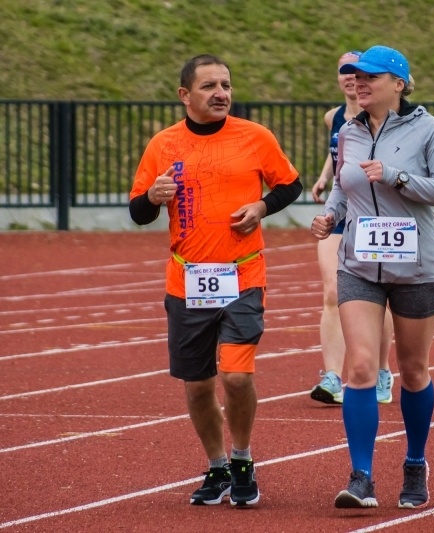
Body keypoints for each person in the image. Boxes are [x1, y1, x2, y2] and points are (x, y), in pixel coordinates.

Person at [129, 54, 302, 507]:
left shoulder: (255, 137)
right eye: (209, 86)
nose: (221, 93)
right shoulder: (163, 145)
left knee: (237, 376)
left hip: (243, 272)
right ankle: (217, 464)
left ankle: (243, 457)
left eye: (226, 84)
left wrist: (262, 208)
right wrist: (152, 196)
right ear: (185, 95)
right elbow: (138, 211)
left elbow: (290, 184)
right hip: (187, 279)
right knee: (198, 385)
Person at [310, 45, 434, 510]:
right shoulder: (348, 131)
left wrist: (396, 177)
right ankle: (361, 476)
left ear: (398, 83)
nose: (359, 82)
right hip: (359, 264)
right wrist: (330, 216)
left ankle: (415, 463)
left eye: (371, 76)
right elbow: (342, 185)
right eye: (355, 76)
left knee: (413, 371)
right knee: (359, 368)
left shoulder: (427, 129)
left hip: (415, 268)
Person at [309, 51, 395, 406]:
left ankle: (382, 371)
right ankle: (331, 377)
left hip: (374, 216)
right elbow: (337, 159)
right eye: (344, 74)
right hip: (340, 213)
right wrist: (324, 179)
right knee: (332, 291)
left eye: (357, 74)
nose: (350, 80)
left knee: (381, 298)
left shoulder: (389, 120)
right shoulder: (335, 119)